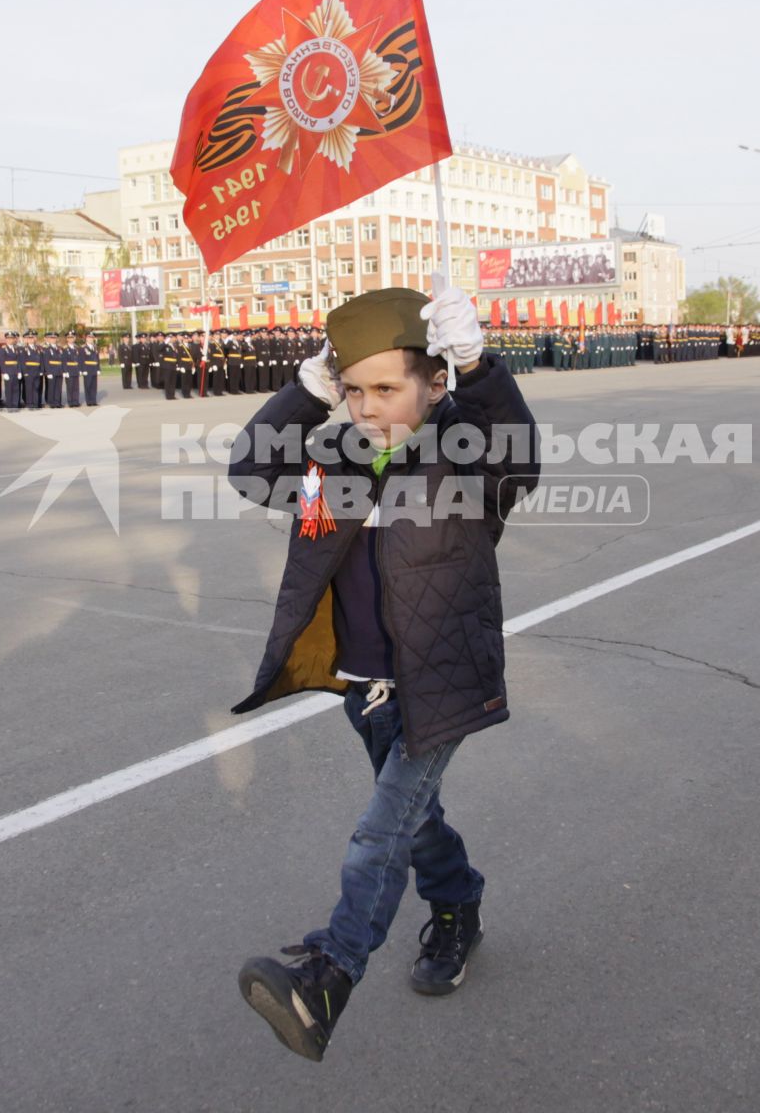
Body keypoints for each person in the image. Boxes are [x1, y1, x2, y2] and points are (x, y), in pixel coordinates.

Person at [226, 281, 539, 1063]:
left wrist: (480, 363)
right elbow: (250, 470)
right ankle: (459, 905)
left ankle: (329, 974)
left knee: (378, 835)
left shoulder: (464, 453)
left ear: (434, 385)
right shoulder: (335, 455)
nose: (367, 407)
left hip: (438, 683)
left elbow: (520, 451)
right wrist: (301, 396)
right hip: (361, 685)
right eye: (354, 390)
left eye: (388, 388)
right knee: (414, 821)